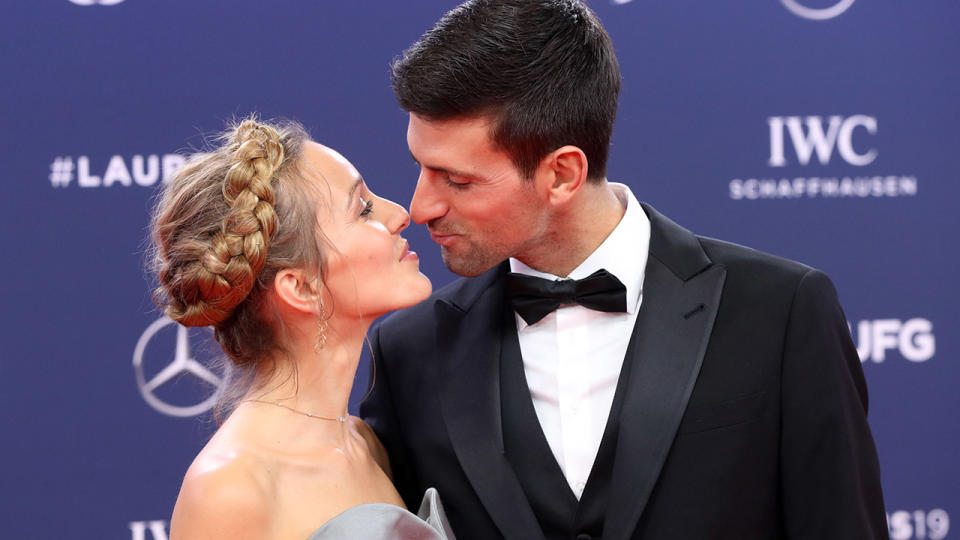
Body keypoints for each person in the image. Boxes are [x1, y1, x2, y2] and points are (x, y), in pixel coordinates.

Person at [360, 1, 889, 539]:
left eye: (457, 180)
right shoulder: (410, 350)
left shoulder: (782, 312)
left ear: (563, 174)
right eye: (421, 167)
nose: (420, 206)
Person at [151, 117, 454, 539]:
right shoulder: (230, 489)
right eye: (363, 208)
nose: (400, 214)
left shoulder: (366, 445)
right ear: (301, 287)